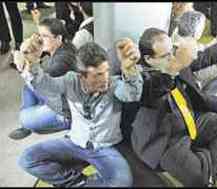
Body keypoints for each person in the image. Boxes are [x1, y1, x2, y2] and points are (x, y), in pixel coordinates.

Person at [125, 27, 217, 186]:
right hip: (165, 140)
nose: (172, 58)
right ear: (148, 59)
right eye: (166, 55)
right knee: (197, 180)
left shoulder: (172, 60)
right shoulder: (140, 81)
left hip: (191, 119)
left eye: (172, 51)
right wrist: (174, 67)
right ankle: (206, 164)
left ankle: (213, 172)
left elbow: (202, 58)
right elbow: (156, 90)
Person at [16, 40, 142, 187]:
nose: (105, 79)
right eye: (98, 75)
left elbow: (132, 95)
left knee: (122, 183)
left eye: (106, 71)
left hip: (105, 148)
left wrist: (130, 69)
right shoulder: (71, 80)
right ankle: (77, 182)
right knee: (27, 159)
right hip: (74, 142)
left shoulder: (114, 84)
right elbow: (48, 86)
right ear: (81, 76)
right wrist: (33, 64)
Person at [10, 18, 78, 140]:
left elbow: (41, 84)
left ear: (59, 38)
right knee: (27, 88)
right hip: (59, 95)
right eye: (39, 35)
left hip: (65, 111)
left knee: (24, 117)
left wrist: (24, 64)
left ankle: (32, 122)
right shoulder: (64, 47)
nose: (40, 40)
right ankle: (30, 122)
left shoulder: (62, 61)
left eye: (44, 36)